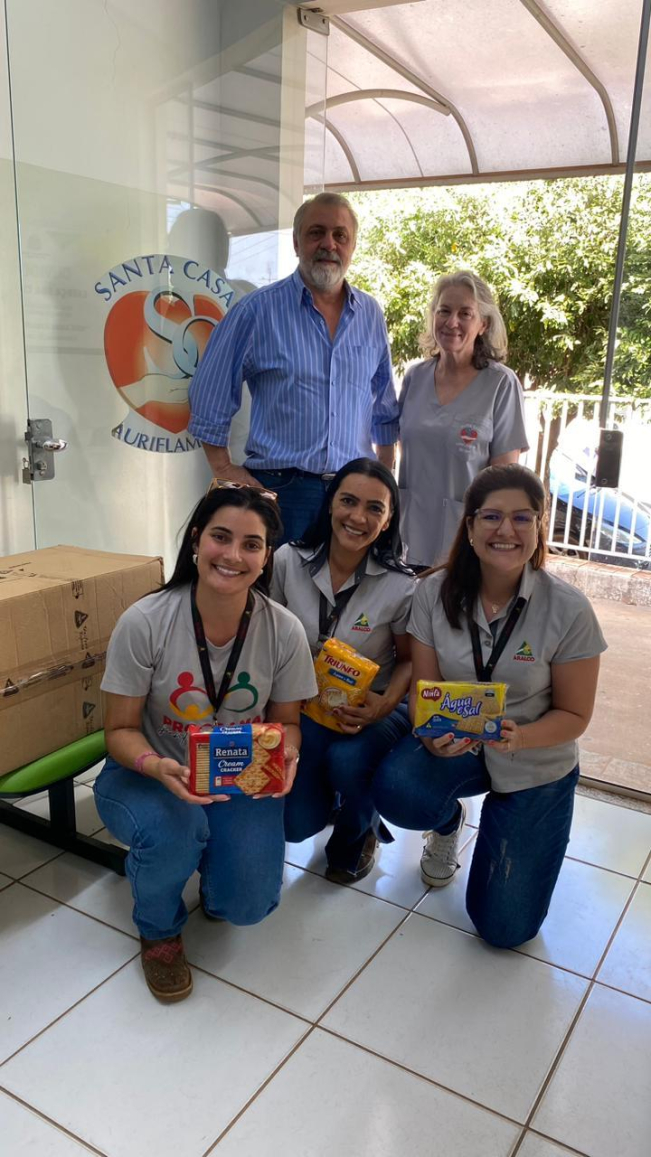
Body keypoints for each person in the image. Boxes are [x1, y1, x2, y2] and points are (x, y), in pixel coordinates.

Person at [94, 485, 317, 1002]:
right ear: (196, 541)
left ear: (266, 557)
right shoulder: (145, 621)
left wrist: (288, 754)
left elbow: (288, 723)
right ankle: (158, 929)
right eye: (221, 537)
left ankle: (213, 873)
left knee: (247, 906)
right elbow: (119, 732)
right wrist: (156, 767)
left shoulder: (284, 631)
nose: (233, 555)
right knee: (176, 833)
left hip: (239, 774)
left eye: (251, 544)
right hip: (146, 773)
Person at [373, 463, 606, 948]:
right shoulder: (433, 592)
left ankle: (513, 824)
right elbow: (425, 688)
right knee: (398, 789)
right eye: (492, 517)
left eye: (522, 518)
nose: (506, 530)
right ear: (470, 527)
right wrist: (430, 738)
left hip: (534, 757)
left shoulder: (568, 609)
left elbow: (575, 716)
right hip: (457, 744)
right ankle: (448, 822)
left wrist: (520, 737)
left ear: (538, 527)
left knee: (505, 930)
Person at [188, 192, 399, 544]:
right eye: (316, 233)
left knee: (349, 582)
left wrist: (383, 475)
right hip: (283, 492)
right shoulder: (257, 311)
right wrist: (224, 468)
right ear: (297, 243)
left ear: (353, 245)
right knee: (278, 582)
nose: (329, 244)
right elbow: (209, 393)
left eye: (340, 235)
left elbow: (384, 407)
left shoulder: (370, 315)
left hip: (353, 494)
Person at [270, 458, 415, 883]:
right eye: (348, 501)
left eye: (375, 508)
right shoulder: (287, 560)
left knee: (348, 762)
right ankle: (332, 796)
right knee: (294, 824)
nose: (358, 517)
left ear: (388, 520)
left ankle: (359, 830)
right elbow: (268, 640)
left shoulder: (401, 585)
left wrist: (384, 705)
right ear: (331, 503)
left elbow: (409, 660)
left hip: (368, 713)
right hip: (303, 708)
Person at [398, 270, 529, 567]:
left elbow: (504, 481)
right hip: (408, 540)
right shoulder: (415, 378)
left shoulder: (501, 384)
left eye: (465, 313)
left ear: (483, 324)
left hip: (467, 547)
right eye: (444, 311)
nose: (452, 322)